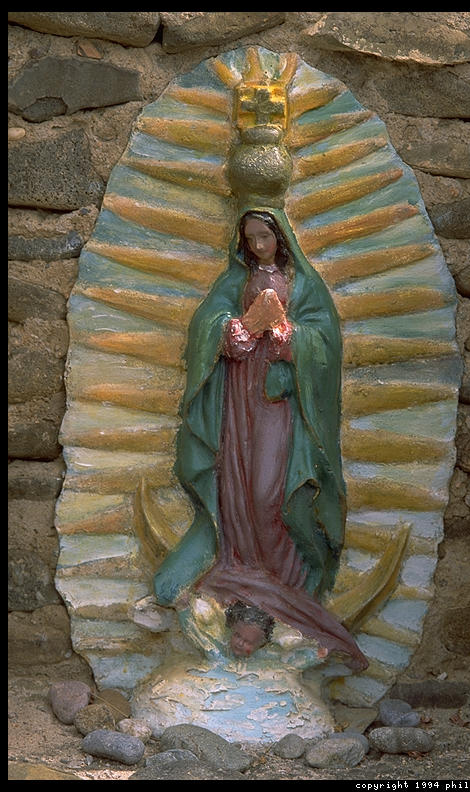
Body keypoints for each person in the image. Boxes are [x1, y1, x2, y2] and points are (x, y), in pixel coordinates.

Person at [154, 207, 368, 671]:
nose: (258, 246)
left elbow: (324, 343)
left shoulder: (303, 284)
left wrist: (289, 335)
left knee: (268, 490)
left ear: (280, 237)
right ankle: (241, 566)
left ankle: (284, 581)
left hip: (279, 400)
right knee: (236, 483)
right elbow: (207, 325)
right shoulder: (235, 280)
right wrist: (232, 331)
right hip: (238, 395)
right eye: (250, 238)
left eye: (264, 237)